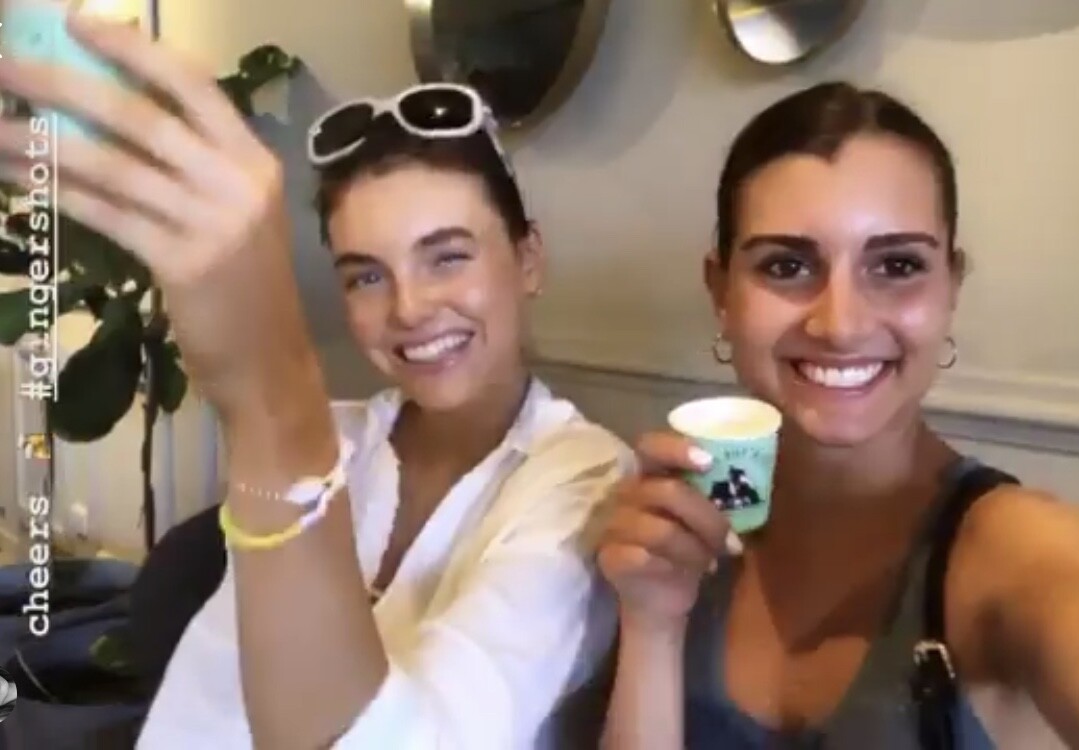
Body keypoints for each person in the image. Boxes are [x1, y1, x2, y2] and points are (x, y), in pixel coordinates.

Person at [0, 16, 631, 748]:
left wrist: (273, 401)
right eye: (367, 275)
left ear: (528, 260)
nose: (409, 307)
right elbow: (210, 705)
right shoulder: (339, 436)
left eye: (448, 257)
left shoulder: (585, 480)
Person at [597, 82, 1079, 748]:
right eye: (787, 265)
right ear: (721, 291)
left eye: (898, 265)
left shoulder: (1023, 554)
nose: (841, 325)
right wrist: (652, 623)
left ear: (950, 289)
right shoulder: (685, 529)